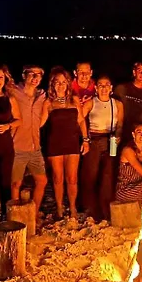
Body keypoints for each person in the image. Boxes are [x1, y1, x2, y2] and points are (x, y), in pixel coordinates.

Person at [40, 67, 90, 219]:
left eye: (63, 82)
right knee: (57, 178)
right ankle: (59, 208)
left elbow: (81, 121)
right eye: (57, 82)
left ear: (68, 83)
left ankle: (73, 208)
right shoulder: (48, 102)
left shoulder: (74, 100)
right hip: (54, 144)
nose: (60, 85)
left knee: (72, 178)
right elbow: (40, 124)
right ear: (52, 84)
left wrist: (85, 140)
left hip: (72, 143)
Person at [81, 75, 124, 221]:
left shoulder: (117, 104)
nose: (104, 88)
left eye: (107, 85)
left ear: (111, 88)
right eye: (101, 85)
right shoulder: (91, 103)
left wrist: (117, 137)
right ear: (96, 88)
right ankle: (90, 207)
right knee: (91, 174)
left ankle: (105, 208)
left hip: (110, 140)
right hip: (94, 140)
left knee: (108, 175)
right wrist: (85, 138)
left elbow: (120, 123)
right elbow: (80, 120)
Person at [11, 65, 48, 219]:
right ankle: (15, 217)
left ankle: (33, 214)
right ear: (24, 75)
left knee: (42, 181)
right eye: (32, 74)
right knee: (16, 184)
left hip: (35, 147)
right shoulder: (14, 91)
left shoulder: (42, 95)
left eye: (38, 75)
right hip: (17, 147)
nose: (35, 78)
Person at [0, 66, 21, 219]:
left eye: (1, 78)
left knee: (5, 182)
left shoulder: (9, 99)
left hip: (4, 146)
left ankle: (5, 215)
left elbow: (18, 120)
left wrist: (7, 126)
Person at [114, 62, 142, 146]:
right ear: (134, 72)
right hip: (119, 132)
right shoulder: (121, 88)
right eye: (140, 71)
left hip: (137, 135)